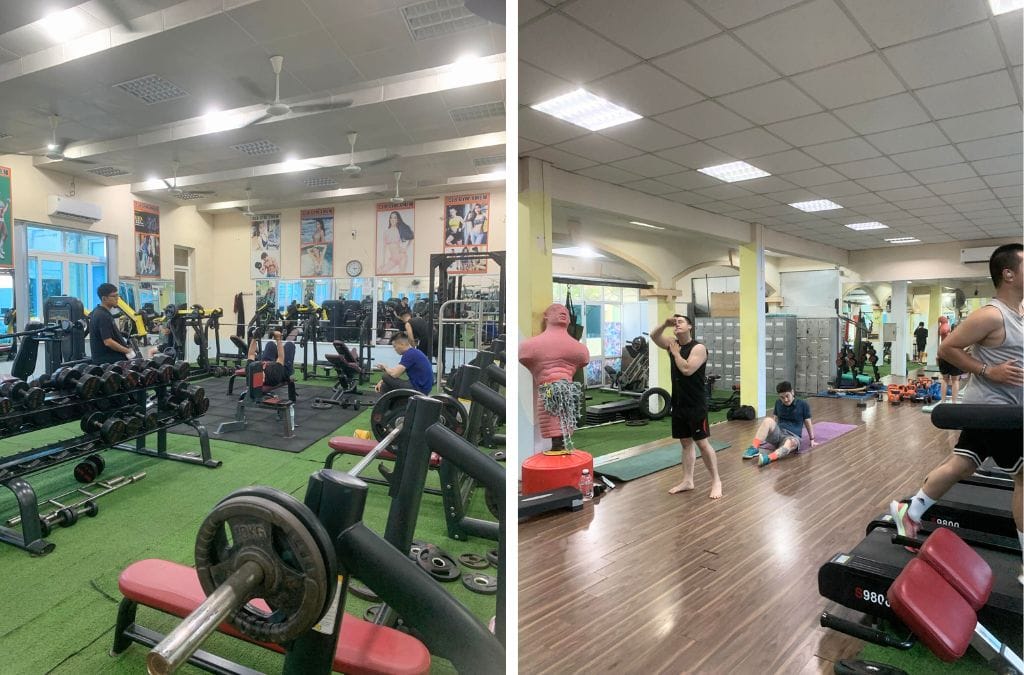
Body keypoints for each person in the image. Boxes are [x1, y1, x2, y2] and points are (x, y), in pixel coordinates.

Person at [891, 243, 1023, 552]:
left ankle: (909, 512)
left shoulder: (1019, 313)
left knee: (962, 465)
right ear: (1008, 274)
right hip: (994, 411)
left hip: (1000, 409)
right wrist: (988, 370)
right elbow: (946, 349)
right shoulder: (991, 316)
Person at [651, 314, 723, 499]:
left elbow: (687, 369)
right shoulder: (673, 342)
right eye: (675, 323)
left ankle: (716, 481)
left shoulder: (698, 348)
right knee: (685, 443)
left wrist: (675, 353)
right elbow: (654, 336)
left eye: (680, 321)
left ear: (690, 326)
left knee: (702, 443)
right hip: (679, 402)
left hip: (695, 404)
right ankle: (688, 480)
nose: (677, 325)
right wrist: (664, 323)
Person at [742, 381, 816, 466]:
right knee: (767, 420)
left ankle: (768, 458)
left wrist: (812, 439)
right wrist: (766, 434)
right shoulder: (778, 403)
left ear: (792, 392)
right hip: (778, 435)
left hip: (793, 436)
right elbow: (774, 420)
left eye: (787, 396)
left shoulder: (803, 404)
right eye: (782, 397)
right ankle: (754, 448)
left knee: (790, 442)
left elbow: (808, 422)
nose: (785, 399)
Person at [90, 283, 135, 364]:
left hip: (111, 358)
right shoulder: (102, 315)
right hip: (108, 361)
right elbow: (108, 342)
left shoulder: (101, 312)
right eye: (114, 296)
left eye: (117, 295)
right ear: (104, 299)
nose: (117, 298)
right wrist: (127, 351)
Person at [246, 330, 297, 401]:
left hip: (269, 363)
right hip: (284, 369)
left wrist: (254, 338)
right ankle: (289, 368)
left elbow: (251, 354)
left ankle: (271, 356)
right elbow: (281, 357)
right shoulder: (273, 375)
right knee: (289, 345)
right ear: (263, 380)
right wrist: (278, 339)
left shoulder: (251, 369)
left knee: (270, 344)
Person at [936, 321, 963, 403]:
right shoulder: (961, 337)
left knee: (944, 379)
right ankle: (953, 402)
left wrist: (938, 358)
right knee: (955, 380)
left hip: (943, 358)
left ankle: (943, 401)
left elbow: (941, 348)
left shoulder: (946, 336)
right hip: (954, 358)